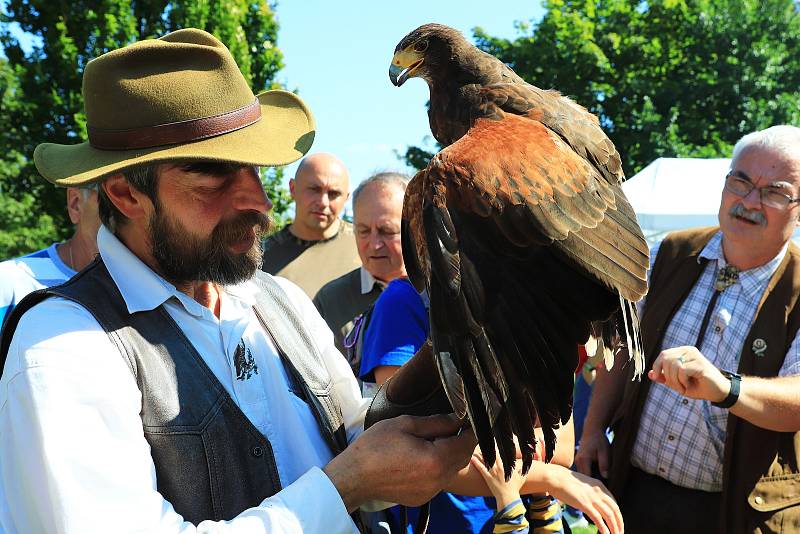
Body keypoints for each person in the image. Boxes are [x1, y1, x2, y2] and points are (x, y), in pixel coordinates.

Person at [0, 29, 477, 533]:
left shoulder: (279, 300)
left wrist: (463, 366)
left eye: (253, 167)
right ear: (125, 194)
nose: (259, 201)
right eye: (215, 174)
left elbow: (354, 435)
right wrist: (344, 488)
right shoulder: (61, 349)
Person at [576, 125, 800, 533]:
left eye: (774, 192)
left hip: (733, 513)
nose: (750, 201)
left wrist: (726, 388)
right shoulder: (669, 253)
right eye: (741, 181)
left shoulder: (798, 289)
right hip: (633, 491)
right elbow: (623, 347)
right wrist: (592, 430)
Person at [314, 171, 408, 356]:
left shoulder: (440, 293)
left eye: (387, 231)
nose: (374, 244)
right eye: (363, 231)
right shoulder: (331, 301)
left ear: (415, 226)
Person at [261, 152, 361, 298]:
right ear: (293, 188)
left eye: (334, 193)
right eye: (314, 189)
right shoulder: (260, 257)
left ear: (346, 197)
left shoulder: (367, 247)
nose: (323, 202)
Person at [0, 184, 100, 325]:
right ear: (75, 203)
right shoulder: (10, 284)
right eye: (114, 192)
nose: (129, 207)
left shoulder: (140, 290)